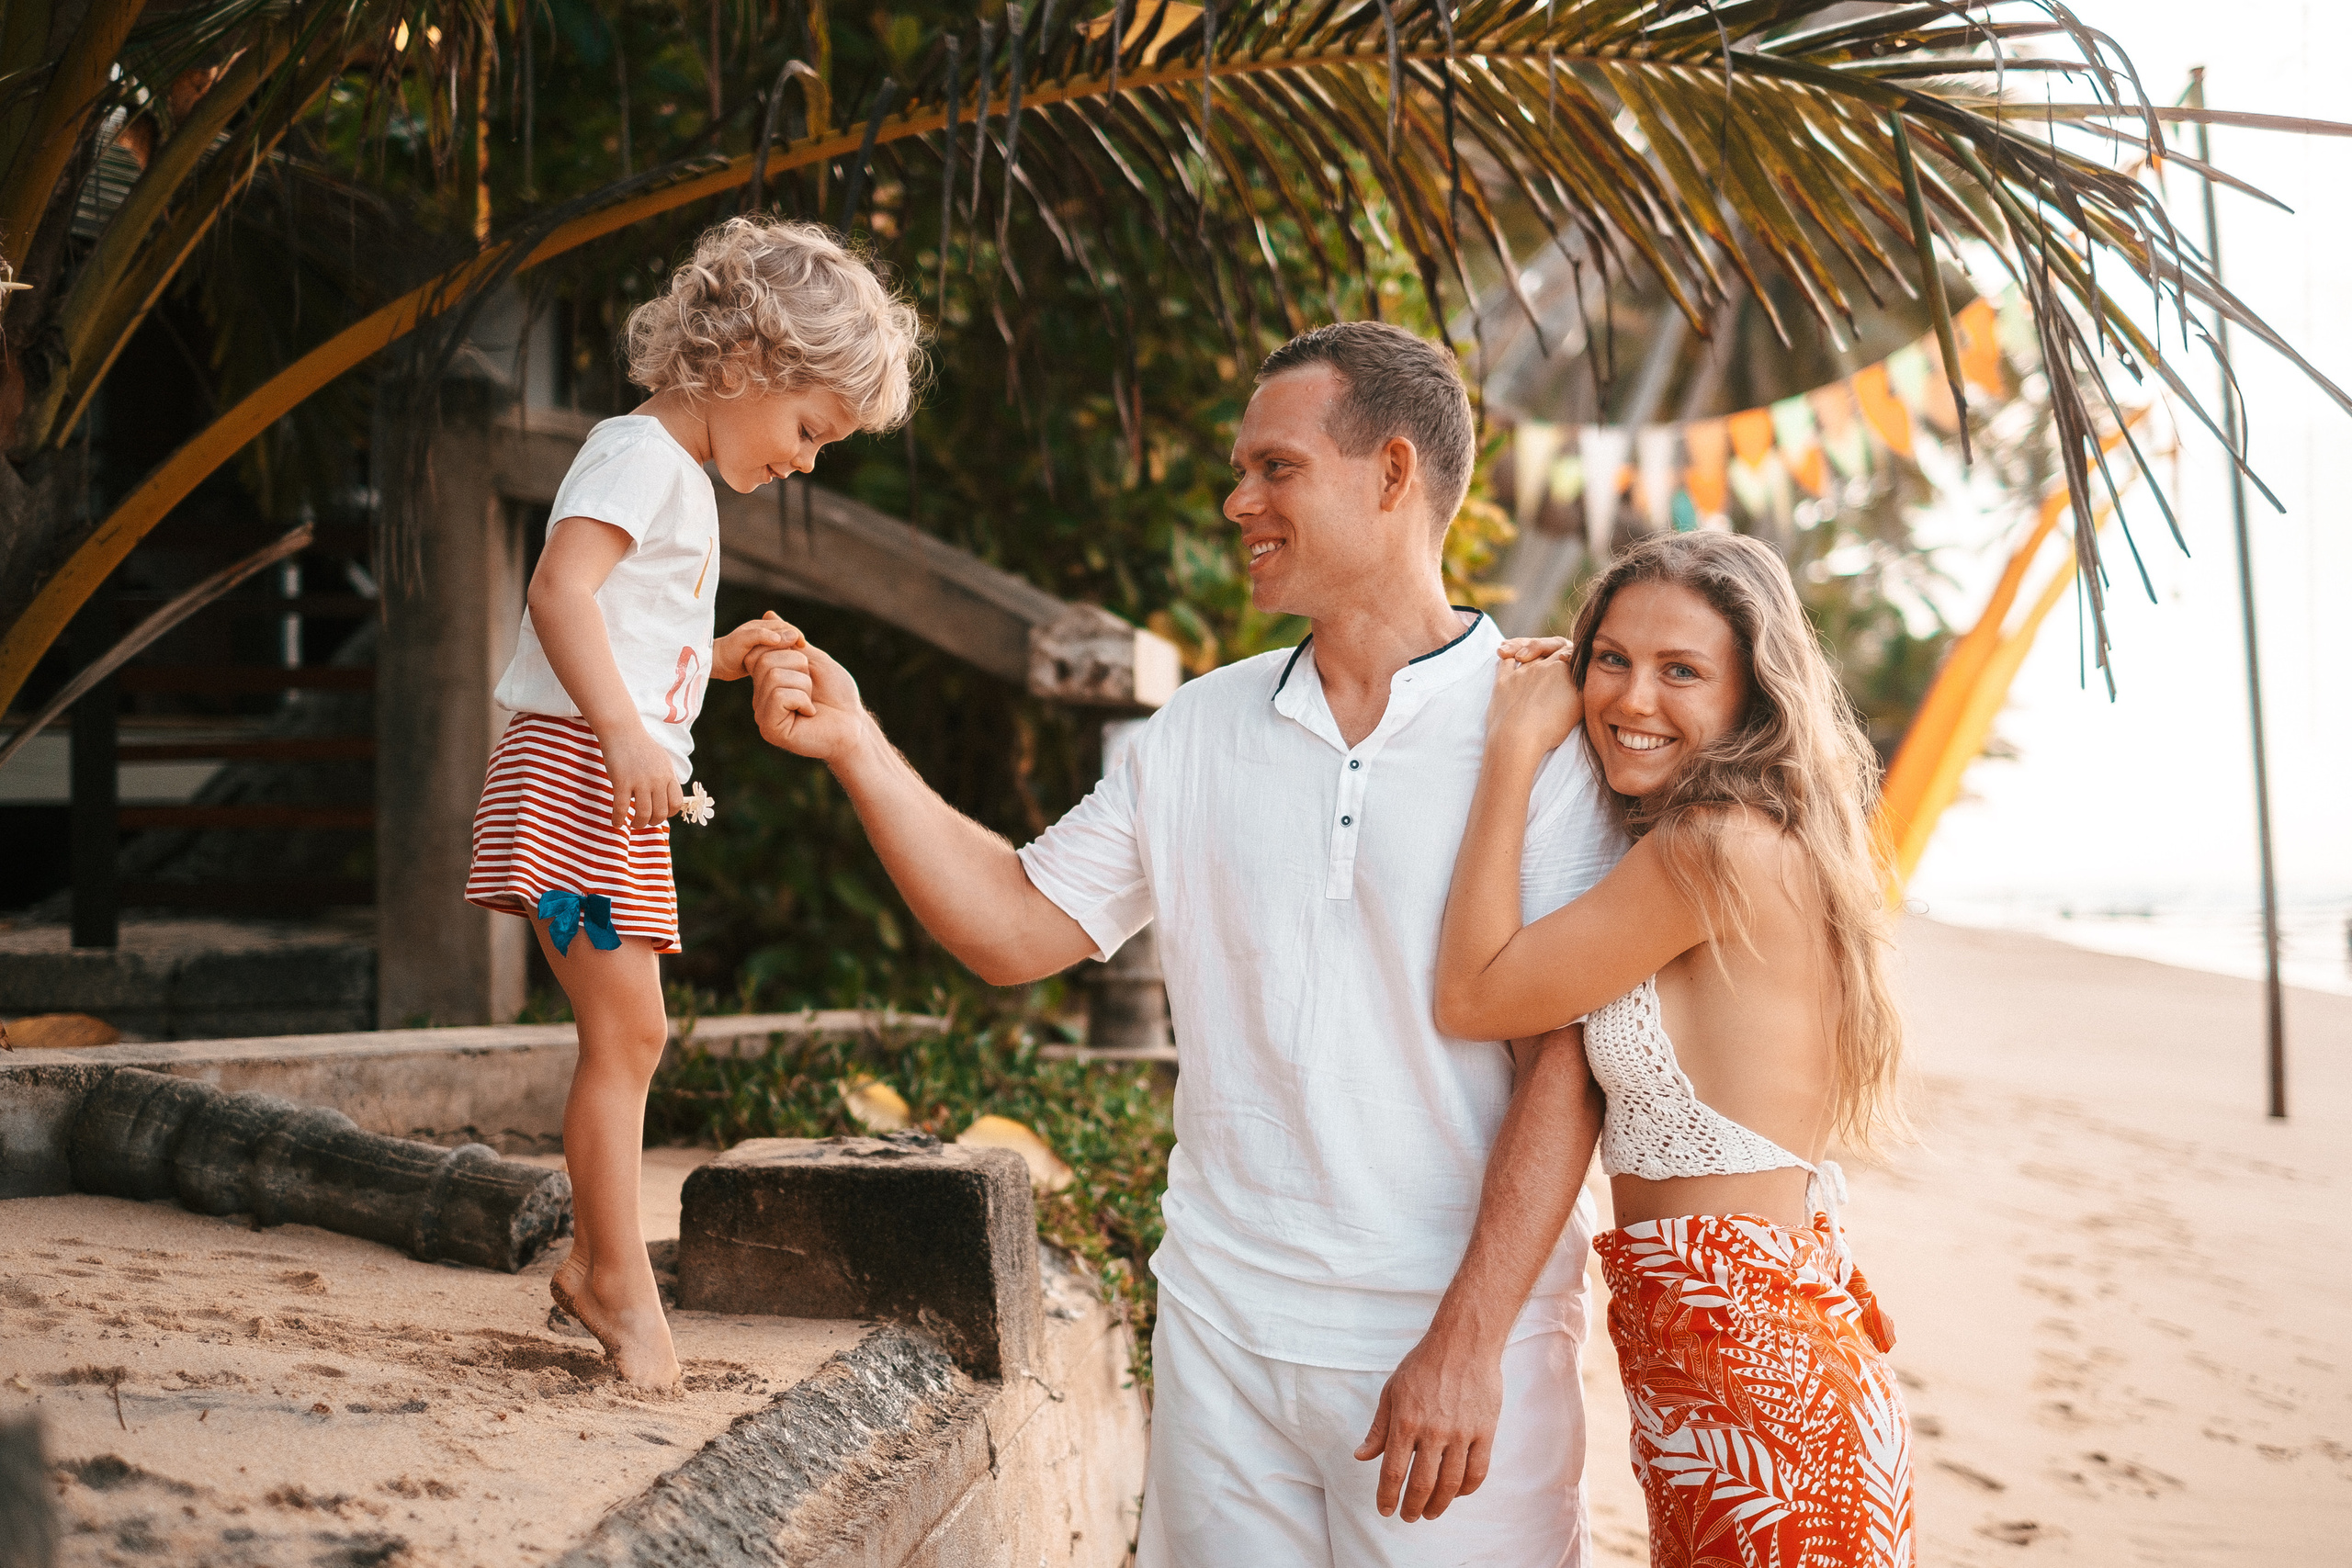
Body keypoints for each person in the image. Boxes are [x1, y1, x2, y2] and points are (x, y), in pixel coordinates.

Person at [751, 321, 1625, 1565]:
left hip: (1450, 1345)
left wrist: (1470, 1339)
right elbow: (1012, 925)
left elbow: (1566, 1061)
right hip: (1222, 1325)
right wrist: (857, 744)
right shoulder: (1196, 730)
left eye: (1276, 467)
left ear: (1391, 473)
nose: (1236, 500)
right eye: (1240, 468)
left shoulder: (1541, 733)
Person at [464, 217, 922, 1387]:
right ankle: (610, 1279)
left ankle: (604, 1270)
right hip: (576, 775)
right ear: (748, 360)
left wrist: (705, 659)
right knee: (626, 1033)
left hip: (591, 773)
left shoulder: (668, 471)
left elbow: (617, 617)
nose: (809, 459)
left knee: (632, 1032)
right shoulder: (642, 456)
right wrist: (625, 731)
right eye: (811, 428)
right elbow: (558, 594)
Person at [1433, 531, 1916, 1566]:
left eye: (1681, 670)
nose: (1631, 700)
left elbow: (1472, 996)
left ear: (1751, 693)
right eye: (1610, 658)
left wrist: (1513, 749)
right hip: (1728, 1374)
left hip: (1761, 1388)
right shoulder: (1744, 838)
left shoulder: (1710, 850)